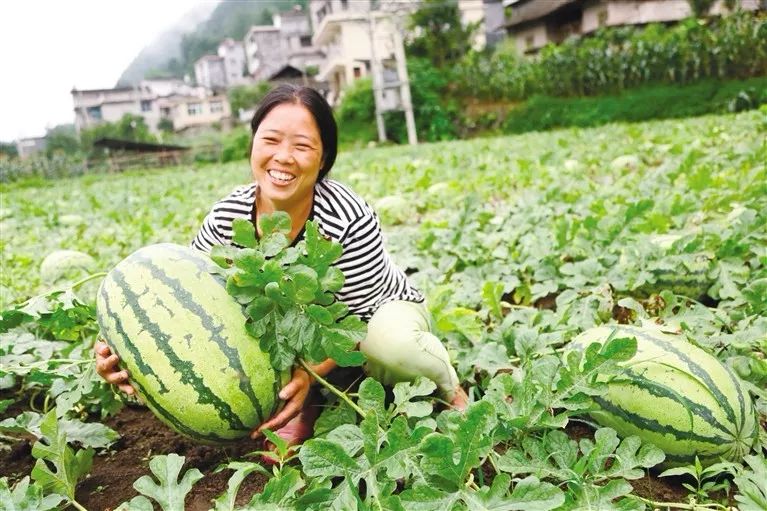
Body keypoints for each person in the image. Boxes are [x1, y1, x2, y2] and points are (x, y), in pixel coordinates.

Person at [95, 84, 467, 456]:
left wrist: (308, 373)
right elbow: (184, 305)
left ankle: (449, 386)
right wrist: (126, 354)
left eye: (302, 146)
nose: (283, 157)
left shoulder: (347, 214)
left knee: (392, 348)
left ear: (323, 159)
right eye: (270, 140)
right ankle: (310, 399)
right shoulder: (227, 217)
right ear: (253, 145)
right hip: (297, 337)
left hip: (373, 315)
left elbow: (358, 319)